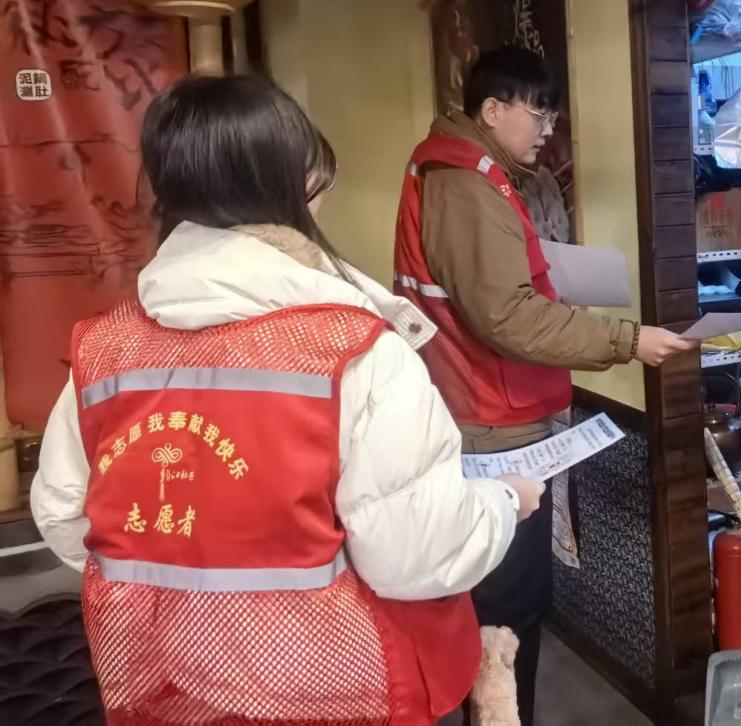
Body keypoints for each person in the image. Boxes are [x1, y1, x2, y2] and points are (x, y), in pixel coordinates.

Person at [31, 74, 544, 725]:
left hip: (172, 684)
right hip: (340, 692)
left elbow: (66, 516)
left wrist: (191, 595)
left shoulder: (105, 350)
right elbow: (415, 555)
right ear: (293, 185)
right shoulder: (355, 350)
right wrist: (503, 502)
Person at [394, 45, 695, 724]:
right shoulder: (465, 183)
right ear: (491, 110)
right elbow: (505, 316)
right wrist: (626, 340)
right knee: (508, 609)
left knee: (499, 607)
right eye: (538, 113)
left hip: (481, 408)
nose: (547, 129)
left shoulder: (459, 169)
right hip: (490, 424)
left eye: (552, 116)